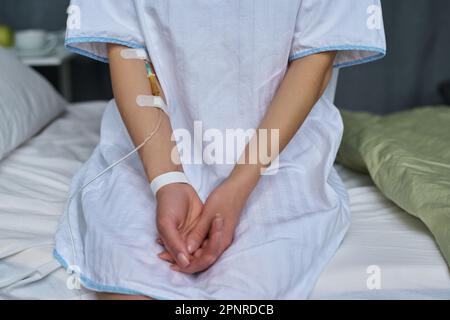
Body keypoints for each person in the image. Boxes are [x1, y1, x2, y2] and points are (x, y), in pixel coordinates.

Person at [55, 0, 386, 300]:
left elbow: (316, 58)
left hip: (278, 159)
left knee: (244, 294)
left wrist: (241, 182)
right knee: (127, 284)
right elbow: (126, 49)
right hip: (149, 153)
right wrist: (166, 179)